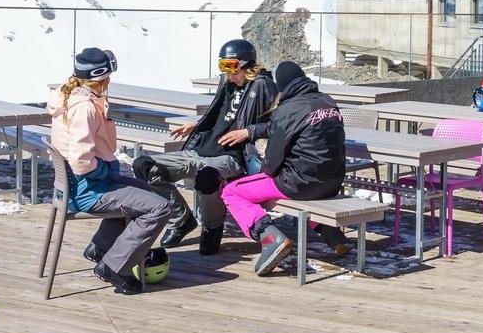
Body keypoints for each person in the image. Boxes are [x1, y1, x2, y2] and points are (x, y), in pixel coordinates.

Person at [46, 47, 189, 295]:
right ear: (102, 77)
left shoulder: (66, 96)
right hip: (89, 189)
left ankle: (101, 248)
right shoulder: (85, 108)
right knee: (158, 208)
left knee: (147, 192)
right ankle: (114, 267)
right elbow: (81, 161)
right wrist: (104, 170)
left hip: (74, 186)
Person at [132, 38, 276, 256]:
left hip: (229, 157)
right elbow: (218, 115)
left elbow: (278, 123)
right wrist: (197, 125)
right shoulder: (226, 83)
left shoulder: (262, 86)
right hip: (199, 148)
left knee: (207, 177)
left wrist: (248, 132)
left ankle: (212, 227)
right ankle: (181, 219)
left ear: (246, 65)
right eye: (222, 66)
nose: (227, 72)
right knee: (144, 165)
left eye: (231, 66)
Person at [220, 61, 348, 275]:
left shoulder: (288, 109)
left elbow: (271, 165)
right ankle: (331, 234)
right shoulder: (327, 102)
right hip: (333, 181)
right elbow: (284, 127)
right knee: (309, 178)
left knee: (232, 191)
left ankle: (269, 238)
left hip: (299, 184)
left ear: (283, 86)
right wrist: (251, 131)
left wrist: (261, 167)